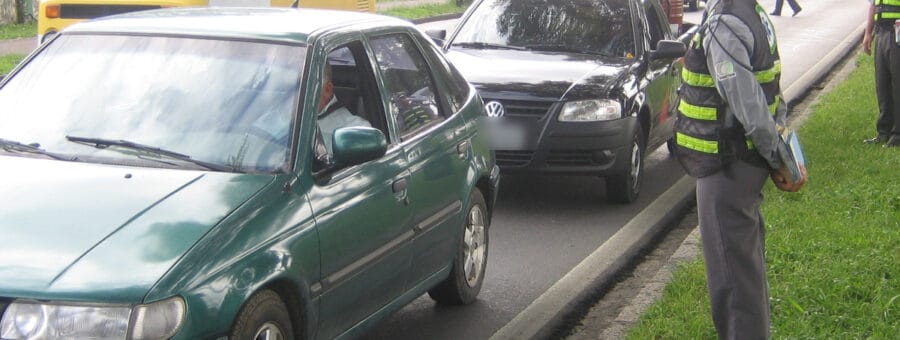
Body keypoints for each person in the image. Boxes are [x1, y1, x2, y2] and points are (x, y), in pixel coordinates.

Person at [672, 0, 807, 338]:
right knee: (744, 277)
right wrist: (778, 154)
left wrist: (781, 160)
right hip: (738, 165)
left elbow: (747, 101)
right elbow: (771, 91)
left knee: (733, 287)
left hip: (726, 167)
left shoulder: (726, 20)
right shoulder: (750, 12)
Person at [862, 0, 900, 147]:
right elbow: (873, 5)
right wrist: (868, 33)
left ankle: (898, 134)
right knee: (882, 84)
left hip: (897, 29)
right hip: (882, 31)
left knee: (898, 83)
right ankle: (884, 132)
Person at [317, 63, 371, 154]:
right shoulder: (287, 118)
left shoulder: (353, 129)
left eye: (300, 87)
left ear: (327, 89)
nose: (286, 94)